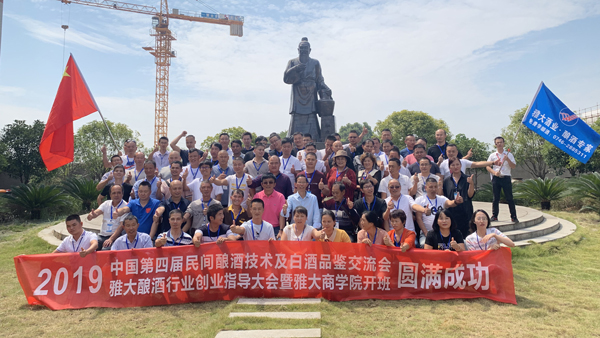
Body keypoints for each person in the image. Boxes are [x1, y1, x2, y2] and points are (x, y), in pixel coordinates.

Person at [284, 37, 332, 140]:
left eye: (306, 48)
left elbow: (320, 81)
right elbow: (286, 78)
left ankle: (315, 138)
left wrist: (326, 89)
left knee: (312, 119)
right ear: (298, 49)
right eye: (302, 48)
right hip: (298, 96)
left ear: (310, 50)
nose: (304, 50)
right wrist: (296, 68)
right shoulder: (292, 62)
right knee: (296, 120)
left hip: (311, 96)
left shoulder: (315, 63)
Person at [414, 177, 461, 247]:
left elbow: (450, 203)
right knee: (423, 244)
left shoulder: (441, 198)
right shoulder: (419, 200)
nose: (433, 189)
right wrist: (426, 233)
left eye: (435, 187)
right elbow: (419, 218)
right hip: (427, 232)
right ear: (426, 187)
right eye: (431, 187)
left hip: (443, 232)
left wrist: (456, 201)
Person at [486, 136, 518, 223]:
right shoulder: (492, 155)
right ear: (495, 144)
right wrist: (494, 172)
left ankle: (514, 216)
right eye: (497, 143)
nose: (499, 144)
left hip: (506, 177)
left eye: (501, 142)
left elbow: (513, 166)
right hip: (496, 177)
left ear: (503, 143)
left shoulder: (508, 154)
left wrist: (508, 160)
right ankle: (494, 215)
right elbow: (487, 166)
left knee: (509, 198)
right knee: (496, 198)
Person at [443, 157, 475, 238]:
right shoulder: (447, 181)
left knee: (467, 236)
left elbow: (470, 195)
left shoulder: (467, 178)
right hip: (452, 213)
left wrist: (471, 184)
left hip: (466, 212)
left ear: (461, 165)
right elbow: (444, 197)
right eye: (453, 165)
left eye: (457, 164)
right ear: (449, 167)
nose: (455, 166)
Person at [87, 185, 127, 249]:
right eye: (114, 193)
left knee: (105, 250)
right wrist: (92, 215)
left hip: (115, 237)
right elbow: (97, 212)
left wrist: (111, 239)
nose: (116, 195)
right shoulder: (106, 203)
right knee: (90, 247)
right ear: (110, 195)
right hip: (102, 235)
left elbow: (121, 226)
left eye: (118, 193)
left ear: (122, 194)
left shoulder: (125, 207)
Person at [253, 173, 286, 238]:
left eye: (270, 182)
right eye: (265, 183)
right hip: (260, 227)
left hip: (275, 228)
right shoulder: (257, 196)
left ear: (274, 184)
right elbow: (253, 213)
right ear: (262, 184)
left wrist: (281, 230)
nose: (268, 184)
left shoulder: (280, 197)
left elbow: (281, 214)